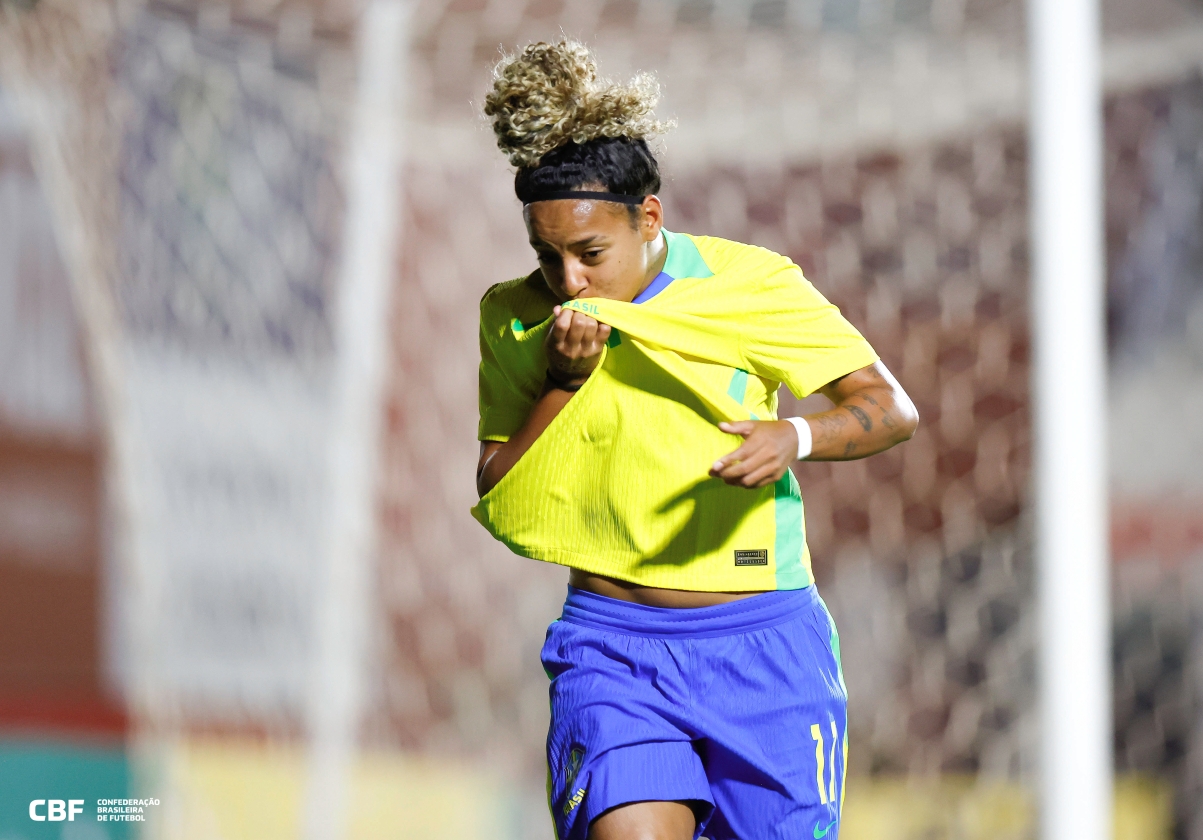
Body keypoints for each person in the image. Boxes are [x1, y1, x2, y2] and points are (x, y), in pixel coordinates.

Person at [472, 40, 918, 840]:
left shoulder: (751, 285)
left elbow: (887, 407)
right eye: (548, 255)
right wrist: (563, 383)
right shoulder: (516, 317)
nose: (569, 279)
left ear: (649, 219)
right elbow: (498, 489)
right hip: (611, 649)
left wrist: (796, 434)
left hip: (764, 650)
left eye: (590, 253)